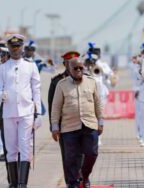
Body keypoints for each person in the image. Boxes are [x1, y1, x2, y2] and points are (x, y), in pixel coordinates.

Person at [0, 34, 42, 188]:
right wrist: (1, 95)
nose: (15, 49)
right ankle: (13, 183)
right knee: (11, 149)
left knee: (25, 146)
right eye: (12, 47)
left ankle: (23, 184)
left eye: (18, 46)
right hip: (8, 113)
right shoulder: (1, 68)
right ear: (8, 48)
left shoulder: (30, 66)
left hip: (26, 112)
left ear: (22, 47)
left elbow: (36, 90)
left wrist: (38, 113)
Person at [51, 57, 104, 188]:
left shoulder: (92, 82)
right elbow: (56, 107)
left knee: (92, 153)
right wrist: (54, 127)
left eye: (81, 68)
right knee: (70, 158)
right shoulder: (61, 85)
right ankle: (72, 183)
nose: (79, 70)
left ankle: (84, 176)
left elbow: (98, 103)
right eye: (75, 68)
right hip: (69, 127)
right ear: (69, 69)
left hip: (89, 124)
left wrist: (101, 121)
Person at [47, 50, 80, 186]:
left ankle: (82, 181)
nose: (74, 65)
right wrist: (54, 126)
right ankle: (70, 182)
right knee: (68, 156)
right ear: (65, 64)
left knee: (82, 155)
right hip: (65, 126)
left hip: (83, 124)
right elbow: (51, 105)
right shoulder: (57, 81)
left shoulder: (86, 78)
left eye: (76, 63)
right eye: (70, 63)